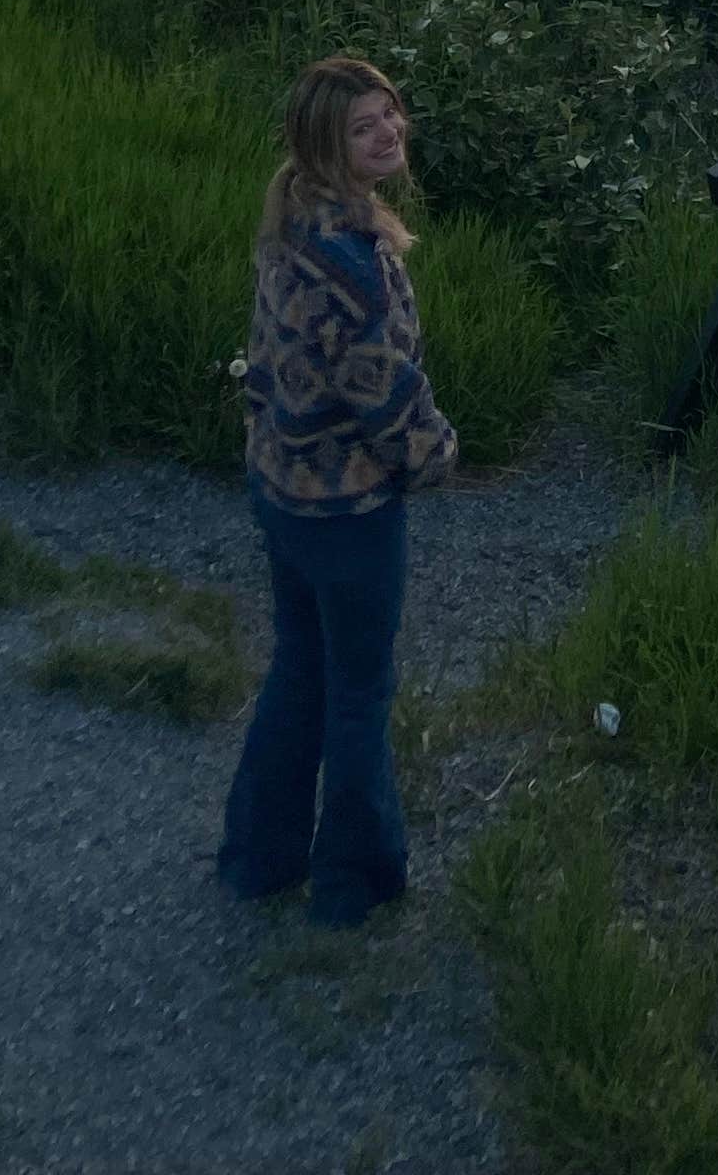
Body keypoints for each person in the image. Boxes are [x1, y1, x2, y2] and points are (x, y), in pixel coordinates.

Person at [216, 56, 458, 926]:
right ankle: (353, 884)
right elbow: (383, 391)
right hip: (347, 511)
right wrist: (437, 455)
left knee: (299, 669)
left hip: (282, 491)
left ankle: (256, 859)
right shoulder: (352, 262)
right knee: (359, 692)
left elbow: (272, 366)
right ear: (330, 145)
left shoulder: (290, 223)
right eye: (364, 127)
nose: (388, 131)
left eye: (389, 112)